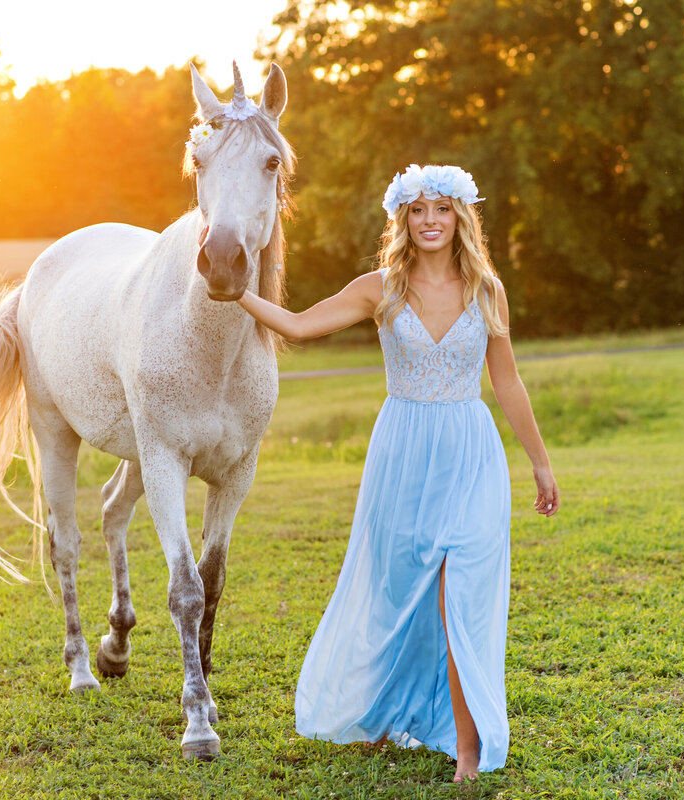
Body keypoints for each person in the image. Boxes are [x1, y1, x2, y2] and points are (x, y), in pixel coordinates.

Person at [231, 163, 559, 783]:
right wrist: (235, 292)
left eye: (441, 209)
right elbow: (299, 326)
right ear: (403, 219)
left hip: (470, 453)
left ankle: (467, 752)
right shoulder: (378, 288)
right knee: (396, 595)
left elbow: (507, 382)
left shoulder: (487, 290)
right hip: (403, 456)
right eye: (418, 210)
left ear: (461, 216)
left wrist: (540, 463)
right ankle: (381, 714)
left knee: (460, 596)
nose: (430, 221)